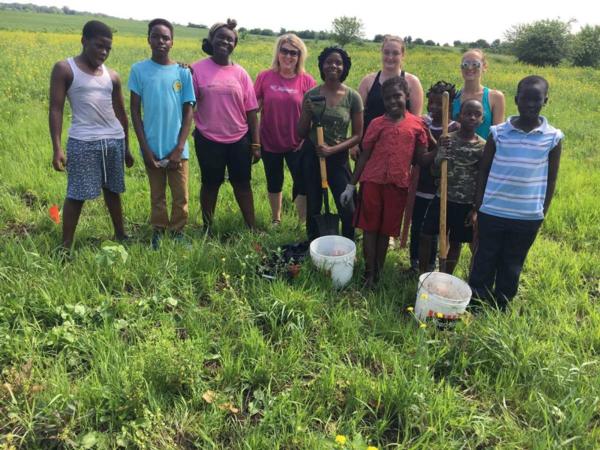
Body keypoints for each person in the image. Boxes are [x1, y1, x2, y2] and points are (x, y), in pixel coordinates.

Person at [469, 76, 563, 310]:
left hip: (527, 215)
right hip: (492, 210)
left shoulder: (553, 137)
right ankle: (477, 301)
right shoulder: (498, 133)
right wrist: (479, 205)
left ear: (545, 101)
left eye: (536, 99)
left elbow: (551, 179)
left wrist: (542, 212)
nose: (530, 104)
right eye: (525, 99)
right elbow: (484, 171)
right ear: (516, 100)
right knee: (485, 257)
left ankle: (502, 302)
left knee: (512, 262)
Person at [49, 20, 133, 249]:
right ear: (84, 40)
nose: (104, 52)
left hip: (113, 140)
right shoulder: (65, 69)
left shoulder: (112, 76)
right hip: (83, 142)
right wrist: (57, 148)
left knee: (113, 190)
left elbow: (121, 113)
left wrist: (126, 146)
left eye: (108, 48)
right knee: (76, 194)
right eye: (99, 46)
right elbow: (55, 108)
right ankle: (66, 246)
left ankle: (121, 235)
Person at [340, 76, 428, 286]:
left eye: (397, 96)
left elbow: (421, 158)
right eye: (387, 98)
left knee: (385, 230)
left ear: (406, 96)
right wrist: (351, 185)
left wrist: (440, 152)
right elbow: (364, 155)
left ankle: (378, 271)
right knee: (370, 228)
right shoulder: (377, 123)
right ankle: (369, 273)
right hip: (372, 182)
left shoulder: (417, 125)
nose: (392, 102)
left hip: (398, 185)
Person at [129, 19, 195, 249]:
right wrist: (146, 149)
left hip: (178, 149)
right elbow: (135, 112)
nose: (161, 41)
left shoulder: (183, 73)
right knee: (157, 196)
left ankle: (177, 232)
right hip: (152, 148)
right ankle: (159, 231)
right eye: (156, 36)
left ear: (172, 42)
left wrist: (178, 148)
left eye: (165, 37)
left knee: (181, 196)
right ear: (148, 39)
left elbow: (189, 111)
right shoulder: (138, 70)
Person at [191, 19, 260, 230]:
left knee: (243, 184)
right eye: (221, 37)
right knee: (210, 185)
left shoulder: (241, 73)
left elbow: (251, 111)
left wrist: (255, 144)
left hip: (239, 139)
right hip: (208, 139)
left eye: (230, 39)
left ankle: (251, 226)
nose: (225, 42)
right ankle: (207, 228)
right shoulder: (196, 70)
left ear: (235, 45)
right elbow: (188, 106)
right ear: (212, 40)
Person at [297, 46, 363, 242]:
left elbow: (358, 135)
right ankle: (314, 245)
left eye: (338, 62)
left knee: (347, 206)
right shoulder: (311, 95)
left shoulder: (353, 97)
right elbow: (301, 132)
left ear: (344, 67)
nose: (333, 65)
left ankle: (348, 244)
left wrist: (332, 149)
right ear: (321, 66)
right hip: (312, 156)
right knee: (314, 205)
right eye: (328, 62)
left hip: (338, 158)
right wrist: (308, 112)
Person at [254, 34, 316, 225]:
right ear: (278, 53)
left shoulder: (306, 81)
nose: (288, 56)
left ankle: (302, 221)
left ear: (299, 56)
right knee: (274, 180)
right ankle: (276, 219)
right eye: (284, 51)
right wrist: (254, 139)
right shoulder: (264, 76)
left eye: (293, 53)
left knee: (302, 182)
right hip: (269, 140)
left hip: (297, 142)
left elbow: (314, 115)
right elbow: (253, 108)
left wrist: (306, 140)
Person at [418, 99, 486, 275]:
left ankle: (445, 277)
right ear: (459, 116)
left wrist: (476, 208)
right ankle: (423, 273)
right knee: (426, 234)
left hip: (465, 203)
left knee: (456, 242)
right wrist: (441, 154)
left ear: (482, 120)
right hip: (443, 198)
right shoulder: (447, 140)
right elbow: (434, 171)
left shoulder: (482, 147)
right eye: (467, 113)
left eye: (476, 114)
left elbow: (482, 179)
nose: (471, 117)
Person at [409, 81, 460, 272]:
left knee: (434, 229)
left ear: (451, 105)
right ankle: (414, 261)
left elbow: (449, 155)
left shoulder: (455, 128)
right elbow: (422, 156)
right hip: (421, 184)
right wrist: (432, 140)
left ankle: (430, 263)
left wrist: (435, 141)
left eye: (440, 104)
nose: (434, 108)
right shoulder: (423, 122)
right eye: (432, 103)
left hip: (440, 188)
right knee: (417, 225)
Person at [357, 35, 424, 143]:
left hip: (401, 143)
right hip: (369, 144)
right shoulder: (368, 81)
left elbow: (417, 120)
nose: (390, 57)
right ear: (381, 53)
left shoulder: (412, 82)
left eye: (395, 53)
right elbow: (358, 117)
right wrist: (354, 144)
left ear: (403, 55)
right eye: (386, 52)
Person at [452, 48, 505, 139]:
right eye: (465, 64)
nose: (469, 68)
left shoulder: (495, 97)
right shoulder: (453, 97)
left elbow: (498, 135)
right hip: (456, 151)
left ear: (484, 67)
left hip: (484, 152)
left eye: (475, 64)